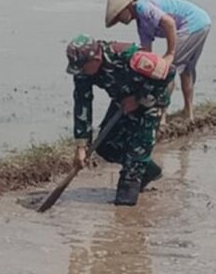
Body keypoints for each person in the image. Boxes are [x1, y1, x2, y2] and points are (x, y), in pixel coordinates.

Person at [66, 34, 173, 206]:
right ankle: (148, 170)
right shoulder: (83, 71)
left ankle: (128, 207)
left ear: (96, 58)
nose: (81, 73)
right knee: (106, 146)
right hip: (121, 101)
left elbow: (168, 71)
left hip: (149, 102)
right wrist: (81, 145)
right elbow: (82, 103)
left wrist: (138, 99)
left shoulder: (130, 56)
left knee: (130, 175)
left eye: (83, 68)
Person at [105, 0, 211, 121]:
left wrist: (170, 53)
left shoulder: (144, 8)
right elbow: (147, 51)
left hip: (192, 24)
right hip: (202, 22)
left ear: (127, 7)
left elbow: (170, 23)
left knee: (166, 70)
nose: (120, 21)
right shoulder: (141, 24)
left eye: (118, 16)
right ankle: (188, 112)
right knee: (186, 69)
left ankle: (162, 117)